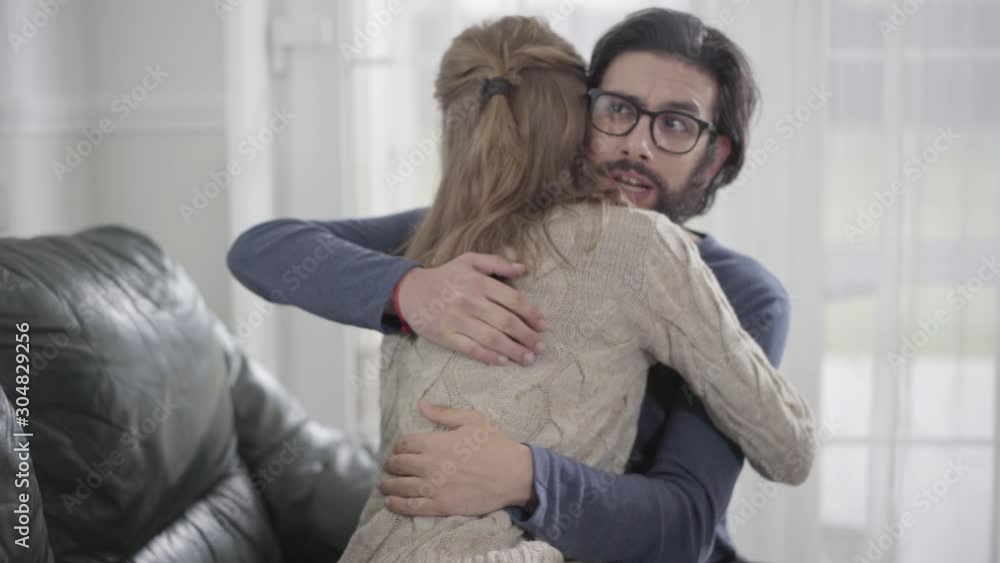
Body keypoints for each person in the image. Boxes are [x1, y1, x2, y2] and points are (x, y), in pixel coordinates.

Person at [228, 9, 809, 563]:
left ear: (715, 155)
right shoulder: (470, 237)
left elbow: (683, 528)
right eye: (618, 110)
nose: (638, 143)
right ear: (581, 112)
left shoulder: (742, 293)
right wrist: (411, 290)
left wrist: (527, 477)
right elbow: (264, 249)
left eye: (676, 124)